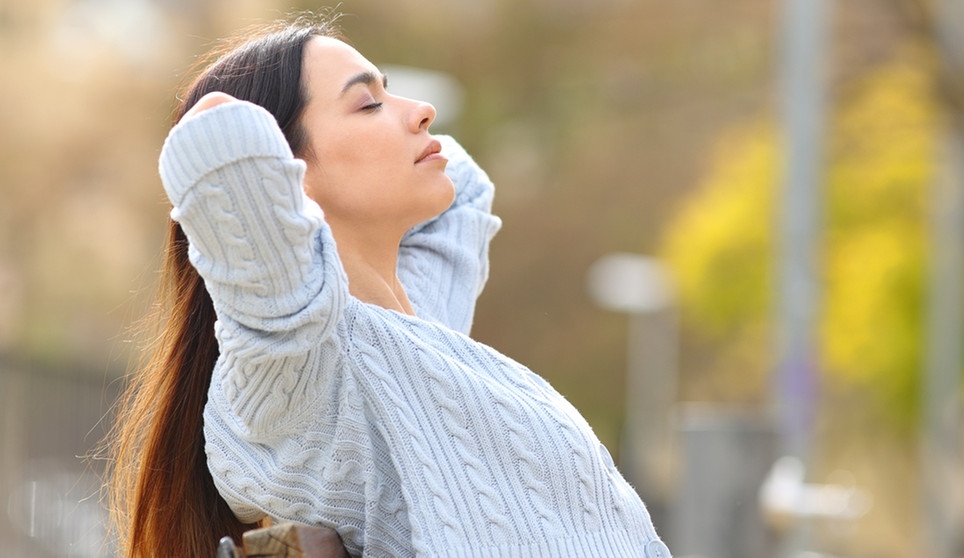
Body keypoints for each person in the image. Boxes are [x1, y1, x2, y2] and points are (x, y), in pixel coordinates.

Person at [106, 13, 672, 558]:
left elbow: (465, 191)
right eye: (369, 103)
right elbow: (215, 131)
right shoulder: (299, 363)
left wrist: (371, 108)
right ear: (286, 173)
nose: (424, 112)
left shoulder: (419, 333)